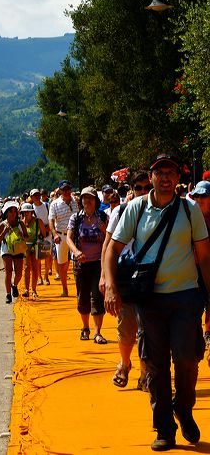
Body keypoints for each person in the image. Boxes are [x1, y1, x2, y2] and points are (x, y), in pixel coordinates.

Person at [104, 155, 210, 451]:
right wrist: (111, 285)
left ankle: (183, 407)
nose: (165, 177)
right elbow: (113, 248)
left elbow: (204, 256)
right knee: (155, 364)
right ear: (150, 177)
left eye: (171, 172)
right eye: (159, 172)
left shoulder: (190, 210)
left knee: (188, 358)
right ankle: (164, 428)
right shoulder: (136, 209)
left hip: (186, 295)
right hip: (148, 298)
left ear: (178, 177)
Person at [101, 170, 152, 390]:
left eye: (146, 187)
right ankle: (124, 362)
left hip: (149, 275)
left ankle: (144, 372)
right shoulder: (120, 211)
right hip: (124, 275)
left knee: (147, 328)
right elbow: (108, 245)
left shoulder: (157, 212)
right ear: (131, 190)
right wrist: (105, 277)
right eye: (138, 188)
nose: (143, 192)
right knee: (126, 327)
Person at [67, 186, 108, 342]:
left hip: (98, 263)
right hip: (81, 264)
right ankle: (85, 327)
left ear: (95, 200)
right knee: (82, 297)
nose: (87, 200)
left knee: (97, 297)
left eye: (90, 197)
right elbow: (69, 239)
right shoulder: (76, 218)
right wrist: (76, 252)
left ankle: (98, 332)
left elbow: (109, 239)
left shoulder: (103, 217)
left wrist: (104, 230)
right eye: (84, 198)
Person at [187, 181, 210, 355]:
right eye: (196, 196)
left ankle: (208, 332)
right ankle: (196, 335)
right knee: (193, 305)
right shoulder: (189, 217)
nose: (199, 199)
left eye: (204, 195)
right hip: (191, 269)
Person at [49, 180, 79, 297]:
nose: (66, 191)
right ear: (60, 191)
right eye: (64, 189)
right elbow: (51, 222)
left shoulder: (76, 201)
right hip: (61, 236)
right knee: (62, 264)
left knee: (77, 262)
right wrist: (55, 234)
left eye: (68, 189)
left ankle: (79, 289)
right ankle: (65, 289)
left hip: (75, 235)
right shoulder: (54, 204)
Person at [0, 201, 27, 304]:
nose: (13, 213)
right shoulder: (2, 224)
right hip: (6, 249)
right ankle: (8, 294)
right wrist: (4, 231)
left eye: (14, 211)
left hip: (18, 248)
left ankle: (14, 285)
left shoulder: (20, 223)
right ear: (6, 213)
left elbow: (26, 236)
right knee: (8, 272)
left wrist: (23, 236)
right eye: (10, 211)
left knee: (19, 274)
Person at [21, 202, 46, 299]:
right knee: (27, 268)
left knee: (35, 268)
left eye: (28, 212)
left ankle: (34, 290)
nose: (26, 214)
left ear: (32, 212)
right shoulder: (22, 223)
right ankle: (27, 289)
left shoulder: (38, 221)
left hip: (35, 246)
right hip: (25, 247)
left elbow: (44, 234)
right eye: (24, 212)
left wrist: (39, 239)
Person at [30, 189, 53, 285]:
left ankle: (46, 276)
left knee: (47, 256)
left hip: (47, 233)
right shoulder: (31, 208)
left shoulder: (47, 205)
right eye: (34, 195)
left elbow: (51, 217)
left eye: (37, 195)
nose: (36, 197)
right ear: (31, 197)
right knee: (38, 258)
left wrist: (49, 228)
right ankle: (39, 277)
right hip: (37, 234)